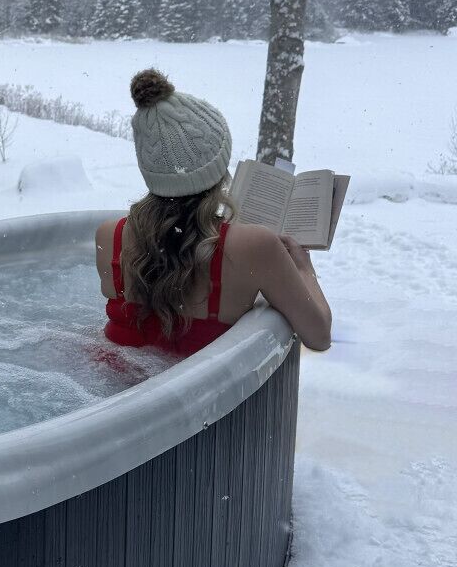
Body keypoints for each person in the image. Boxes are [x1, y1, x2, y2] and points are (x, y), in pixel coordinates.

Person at [95, 69, 332, 357]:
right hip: (198, 400)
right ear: (218, 167)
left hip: (114, 388)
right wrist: (304, 268)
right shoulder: (254, 246)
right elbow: (318, 335)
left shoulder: (111, 236)